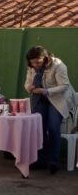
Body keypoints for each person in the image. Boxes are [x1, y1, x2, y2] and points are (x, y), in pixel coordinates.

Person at [25, 46, 76, 175]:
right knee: (38, 128)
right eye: (33, 62)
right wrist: (30, 87)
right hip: (41, 97)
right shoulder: (32, 68)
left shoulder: (58, 65)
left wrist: (46, 91)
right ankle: (41, 160)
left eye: (39, 62)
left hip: (58, 98)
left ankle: (54, 161)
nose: (36, 65)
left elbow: (64, 86)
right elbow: (27, 83)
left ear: (46, 58)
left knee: (53, 127)